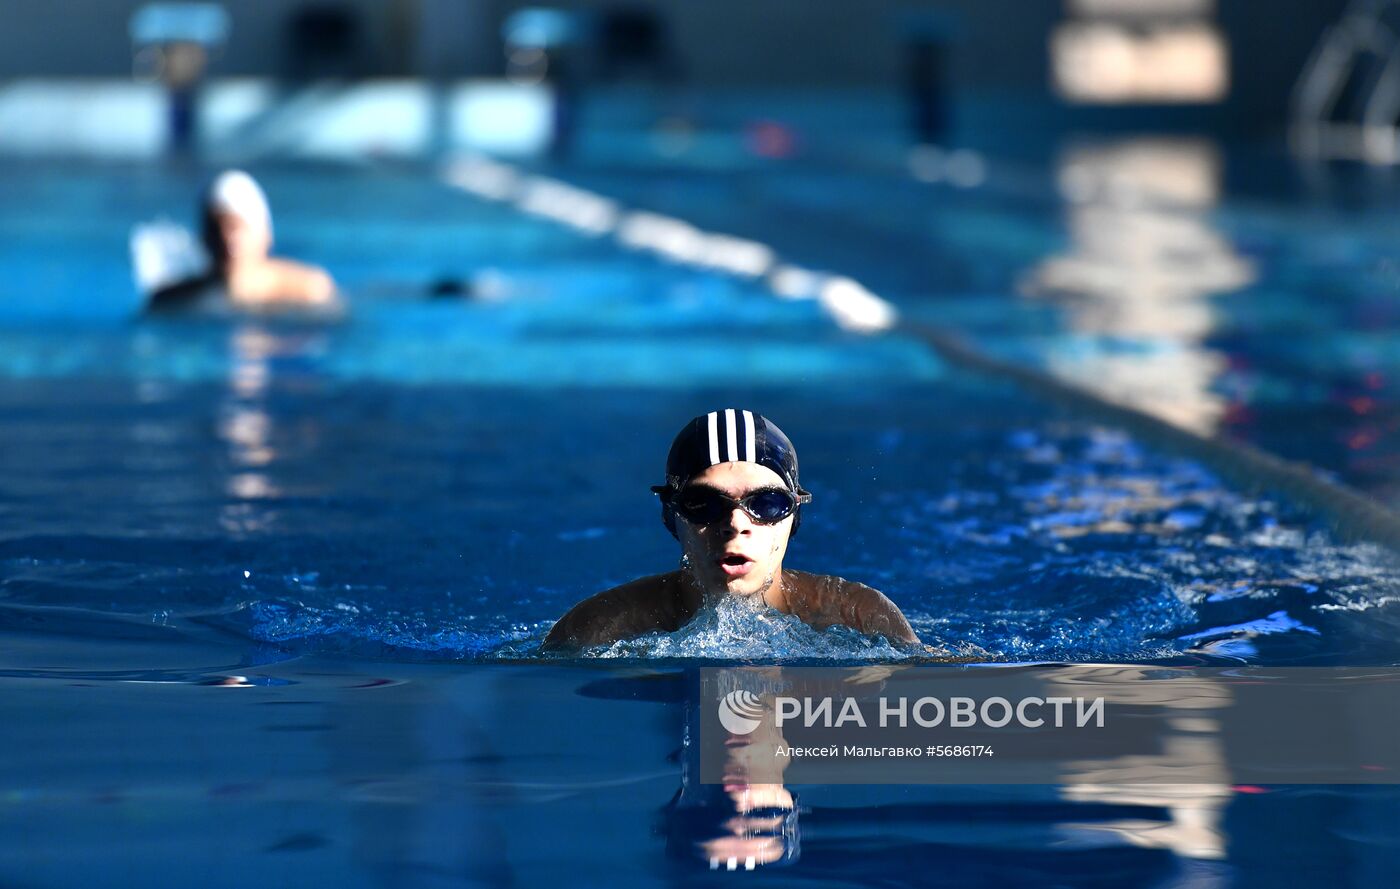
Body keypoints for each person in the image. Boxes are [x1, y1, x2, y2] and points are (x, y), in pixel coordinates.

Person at [544, 409, 919, 649]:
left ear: (794, 516)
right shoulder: (602, 627)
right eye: (705, 504)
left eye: (767, 504)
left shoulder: (860, 617)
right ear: (670, 515)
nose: (735, 524)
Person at [146, 170, 338, 312]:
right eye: (216, 229)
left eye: (237, 227)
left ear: (265, 236)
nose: (227, 239)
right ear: (203, 239)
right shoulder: (172, 302)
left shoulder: (310, 291)